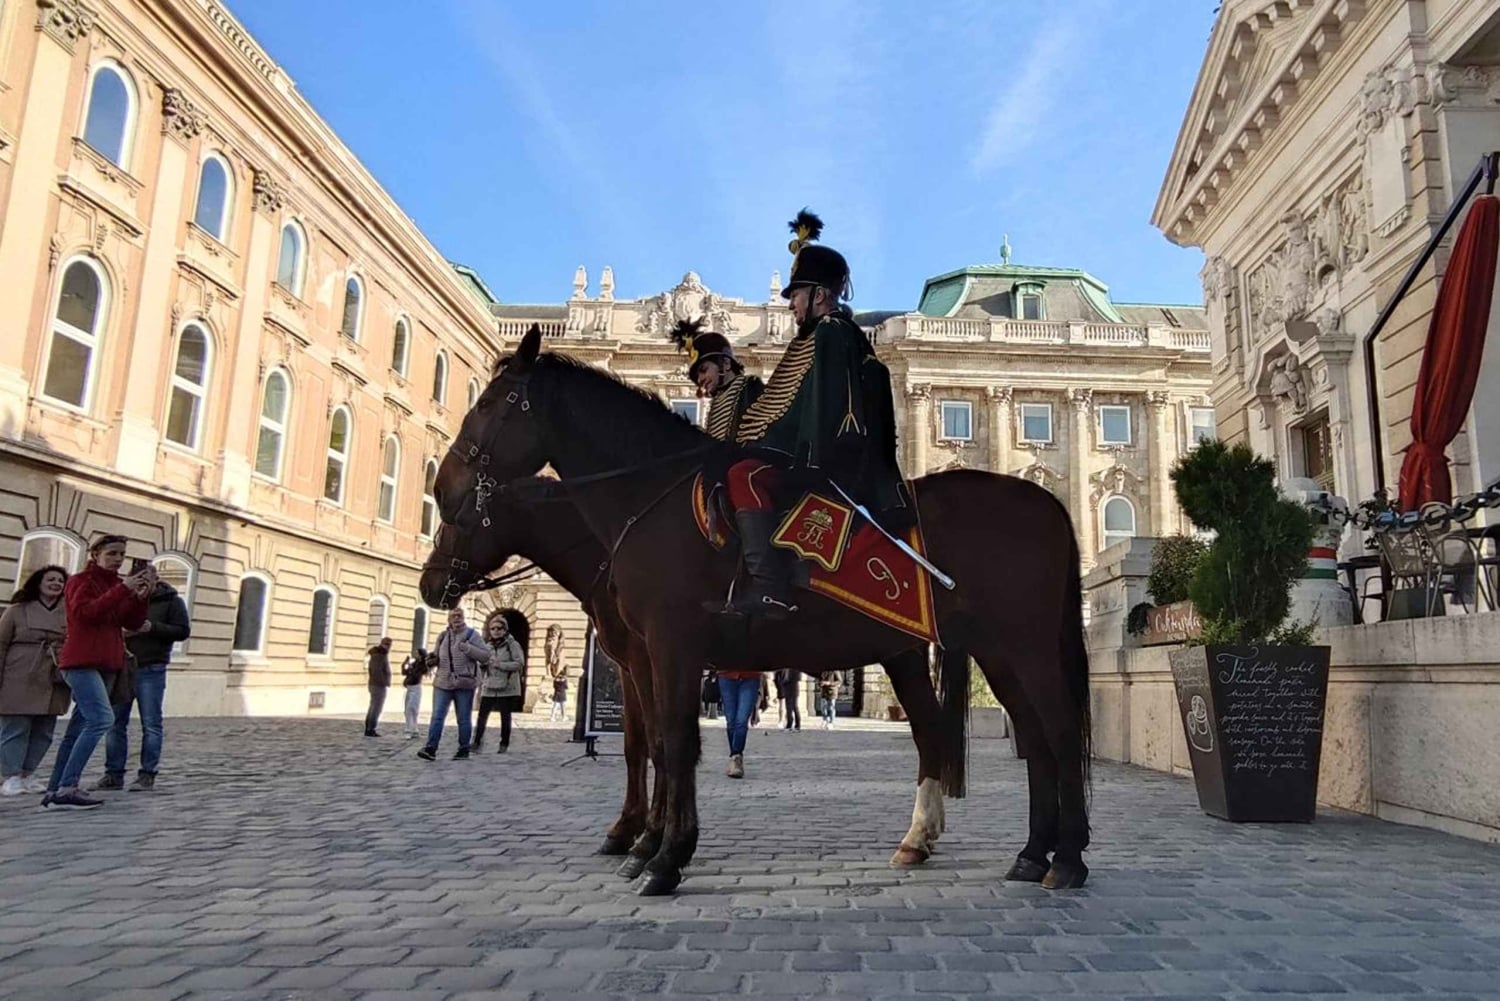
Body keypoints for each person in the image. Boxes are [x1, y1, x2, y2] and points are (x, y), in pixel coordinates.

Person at [718, 210, 907, 620]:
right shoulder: (819, 336)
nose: (792, 307)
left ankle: (769, 587)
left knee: (743, 475)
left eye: (796, 296)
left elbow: (820, 411)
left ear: (819, 295)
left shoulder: (831, 333)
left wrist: (767, 448)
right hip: (805, 455)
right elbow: (787, 405)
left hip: (822, 462)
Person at [44, 535, 149, 810]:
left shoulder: (117, 584)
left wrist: (140, 597)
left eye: (122, 555)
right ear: (95, 554)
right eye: (112, 553)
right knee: (101, 719)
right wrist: (123, 589)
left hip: (108, 662)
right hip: (80, 660)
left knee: (78, 727)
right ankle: (68, 786)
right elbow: (85, 614)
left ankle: (55, 788)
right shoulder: (80, 581)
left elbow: (133, 621)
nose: (117, 559)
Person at [97, 574, 190, 791]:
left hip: (151, 666)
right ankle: (113, 774)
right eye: (138, 578)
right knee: (114, 723)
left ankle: (147, 774)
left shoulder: (171, 601)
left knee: (151, 724)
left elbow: (182, 631)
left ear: (156, 580)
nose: (143, 583)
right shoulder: (122, 599)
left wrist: (152, 627)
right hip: (122, 666)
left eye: (147, 578)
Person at [0, 566, 71, 797]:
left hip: (53, 674)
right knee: (16, 726)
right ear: (38, 583)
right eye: (50, 579)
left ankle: (27, 773)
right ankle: (10, 775)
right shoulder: (16, 611)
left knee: (44, 730)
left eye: (60, 580)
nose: (56, 583)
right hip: (19, 673)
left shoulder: (69, 612)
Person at [667, 318, 763, 441]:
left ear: (726, 364)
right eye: (697, 376)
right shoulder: (715, 406)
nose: (700, 379)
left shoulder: (750, 388)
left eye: (703, 370)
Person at [417, 608, 488, 761]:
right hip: (443, 682)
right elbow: (437, 656)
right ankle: (431, 748)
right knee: (437, 716)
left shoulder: (472, 635)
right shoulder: (442, 636)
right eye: (453, 616)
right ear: (448, 619)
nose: (456, 618)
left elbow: (485, 656)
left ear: (464, 618)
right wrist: (431, 661)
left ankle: (463, 749)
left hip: (464, 683)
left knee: (463, 718)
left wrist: (469, 649)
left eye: (459, 615)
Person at [474, 611, 524, 753]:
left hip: (507, 686)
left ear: (505, 630)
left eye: (499, 628)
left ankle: (504, 744)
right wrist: (482, 665)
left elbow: (519, 663)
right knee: (482, 716)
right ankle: (476, 742)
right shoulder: (487, 646)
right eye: (493, 628)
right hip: (489, 685)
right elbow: (482, 663)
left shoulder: (512, 645)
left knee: (505, 717)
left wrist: (500, 664)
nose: (496, 631)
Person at [717, 669, 760, 779]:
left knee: (741, 720)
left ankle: (736, 755)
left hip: (750, 677)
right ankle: (735, 758)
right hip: (726, 676)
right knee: (731, 721)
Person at [363, 637, 392, 737]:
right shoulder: (380, 655)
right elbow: (377, 671)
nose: (389, 647)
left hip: (375, 684)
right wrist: (384, 682)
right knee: (376, 708)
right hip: (378, 685)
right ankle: (370, 728)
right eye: (388, 645)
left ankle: (369, 727)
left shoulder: (378, 654)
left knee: (373, 706)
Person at [400, 647, 429, 738]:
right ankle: (413, 729)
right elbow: (405, 673)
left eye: (417, 653)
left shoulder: (422, 665)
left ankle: (410, 730)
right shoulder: (414, 663)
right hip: (409, 687)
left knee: (412, 708)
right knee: (407, 709)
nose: (415, 654)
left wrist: (412, 669)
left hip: (416, 688)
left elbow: (417, 675)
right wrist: (404, 665)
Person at [544, 624, 568, 722]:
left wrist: (555, 656)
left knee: (557, 705)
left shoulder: (560, 644)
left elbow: (560, 656)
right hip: (560, 691)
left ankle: (556, 716)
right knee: (561, 705)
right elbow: (547, 658)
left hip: (558, 663)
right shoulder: (549, 642)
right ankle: (559, 716)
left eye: (555, 632)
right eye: (552, 632)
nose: (553, 634)